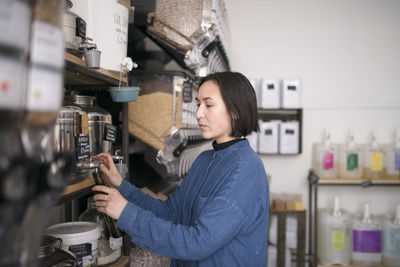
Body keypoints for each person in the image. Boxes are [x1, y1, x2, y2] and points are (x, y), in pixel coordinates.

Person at [93, 71, 270, 266]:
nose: (198, 113)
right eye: (198, 104)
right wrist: (121, 185)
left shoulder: (245, 170)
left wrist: (126, 213)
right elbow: (172, 212)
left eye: (208, 105)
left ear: (235, 112)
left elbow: (198, 242)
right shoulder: (206, 159)